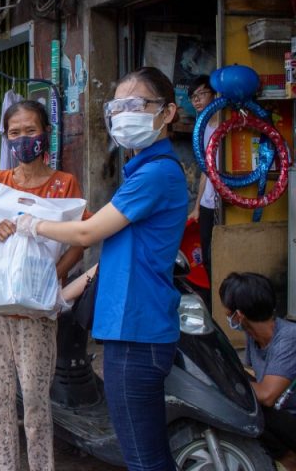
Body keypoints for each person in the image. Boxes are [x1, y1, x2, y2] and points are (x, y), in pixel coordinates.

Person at [18, 67, 188, 470]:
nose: (124, 115)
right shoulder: (143, 172)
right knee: (145, 452)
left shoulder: (156, 173)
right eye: (118, 106)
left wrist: (34, 224)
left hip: (137, 333)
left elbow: (89, 232)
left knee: (144, 459)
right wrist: (61, 296)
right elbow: (115, 260)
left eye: (138, 105)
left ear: (167, 113)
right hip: (131, 330)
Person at [0, 100, 86, 471]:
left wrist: (54, 275)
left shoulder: (65, 184)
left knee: (34, 397)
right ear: (6, 138)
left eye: (30, 131)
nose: (23, 139)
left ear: (46, 133)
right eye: (15, 133)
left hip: (37, 312)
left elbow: (81, 237)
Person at [219, 272, 296, 470]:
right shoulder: (253, 337)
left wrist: (223, 385)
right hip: (285, 414)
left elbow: (268, 395)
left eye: (228, 311)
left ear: (239, 314)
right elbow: (253, 377)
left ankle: (289, 459)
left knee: (251, 406)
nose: (226, 315)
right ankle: (287, 459)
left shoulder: (288, 338)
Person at [186, 76, 219, 287]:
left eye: (201, 94)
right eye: (193, 97)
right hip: (208, 203)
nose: (196, 101)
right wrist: (197, 206)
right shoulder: (204, 127)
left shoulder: (224, 124)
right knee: (207, 256)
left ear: (215, 94)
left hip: (223, 201)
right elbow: (204, 171)